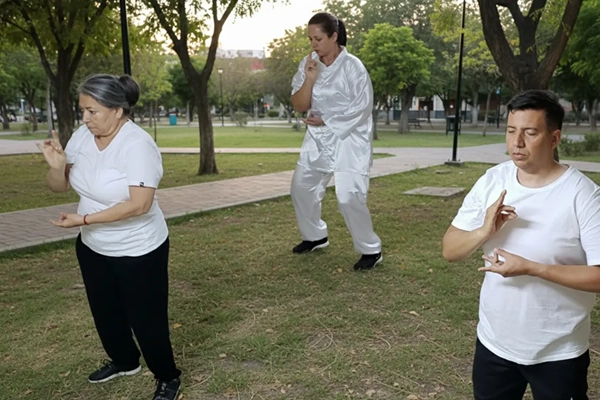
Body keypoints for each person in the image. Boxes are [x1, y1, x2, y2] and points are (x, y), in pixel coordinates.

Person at [442, 90, 600, 400]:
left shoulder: (584, 195)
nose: (517, 142)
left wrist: (532, 268)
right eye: (511, 131)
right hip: (494, 343)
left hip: (559, 351)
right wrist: (483, 232)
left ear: (554, 139)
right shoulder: (492, 181)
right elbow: (450, 250)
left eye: (530, 132)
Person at [36, 74, 181, 400]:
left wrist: (84, 218)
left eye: (93, 111)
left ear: (118, 110)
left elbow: (140, 205)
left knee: (146, 319)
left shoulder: (138, 145)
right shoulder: (82, 137)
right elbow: (58, 186)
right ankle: (124, 361)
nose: (85, 118)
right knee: (105, 311)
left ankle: (167, 377)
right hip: (93, 245)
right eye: (82, 110)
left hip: (139, 249)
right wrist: (57, 166)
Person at [290, 12, 382, 271]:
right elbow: (299, 104)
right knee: (300, 188)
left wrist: (327, 119)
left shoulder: (354, 66)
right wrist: (309, 79)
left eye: (318, 38)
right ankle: (315, 236)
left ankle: (370, 250)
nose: (313, 44)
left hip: (349, 138)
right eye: (310, 39)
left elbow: (363, 107)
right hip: (317, 140)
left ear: (333, 36)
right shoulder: (308, 64)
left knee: (348, 196)